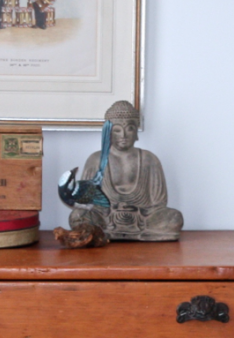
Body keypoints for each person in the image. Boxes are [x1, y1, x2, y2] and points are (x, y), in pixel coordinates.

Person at [68, 100, 183, 241]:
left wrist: (136, 214)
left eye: (129, 128)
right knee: (77, 216)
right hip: (105, 218)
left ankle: (113, 234)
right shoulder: (96, 160)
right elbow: (87, 201)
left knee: (174, 218)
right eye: (117, 130)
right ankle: (120, 233)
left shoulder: (149, 159)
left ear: (136, 131)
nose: (123, 135)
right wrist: (111, 213)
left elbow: (159, 202)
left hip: (143, 219)